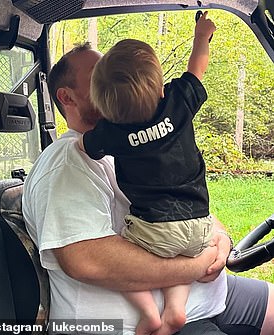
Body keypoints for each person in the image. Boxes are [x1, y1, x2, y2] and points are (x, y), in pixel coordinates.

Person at [22, 40, 274, 335]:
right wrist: (199, 263)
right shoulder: (67, 162)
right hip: (148, 326)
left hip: (212, 297)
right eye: (100, 75)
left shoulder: (132, 144)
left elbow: (182, 208)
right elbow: (85, 260)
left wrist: (219, 239)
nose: (114, 82)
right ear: (67, 98)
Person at [78, 12, 215, 335]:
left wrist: (89, 138)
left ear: (104, 106)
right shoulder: (178, 102)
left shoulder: (111, 133)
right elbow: (198, 66)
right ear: (161, 89)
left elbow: (85, 146)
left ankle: (149, 313)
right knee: (180, 256)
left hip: (152, 230)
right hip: (200, 224)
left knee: (124, 263)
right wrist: (201, 36)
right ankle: (176, 310)